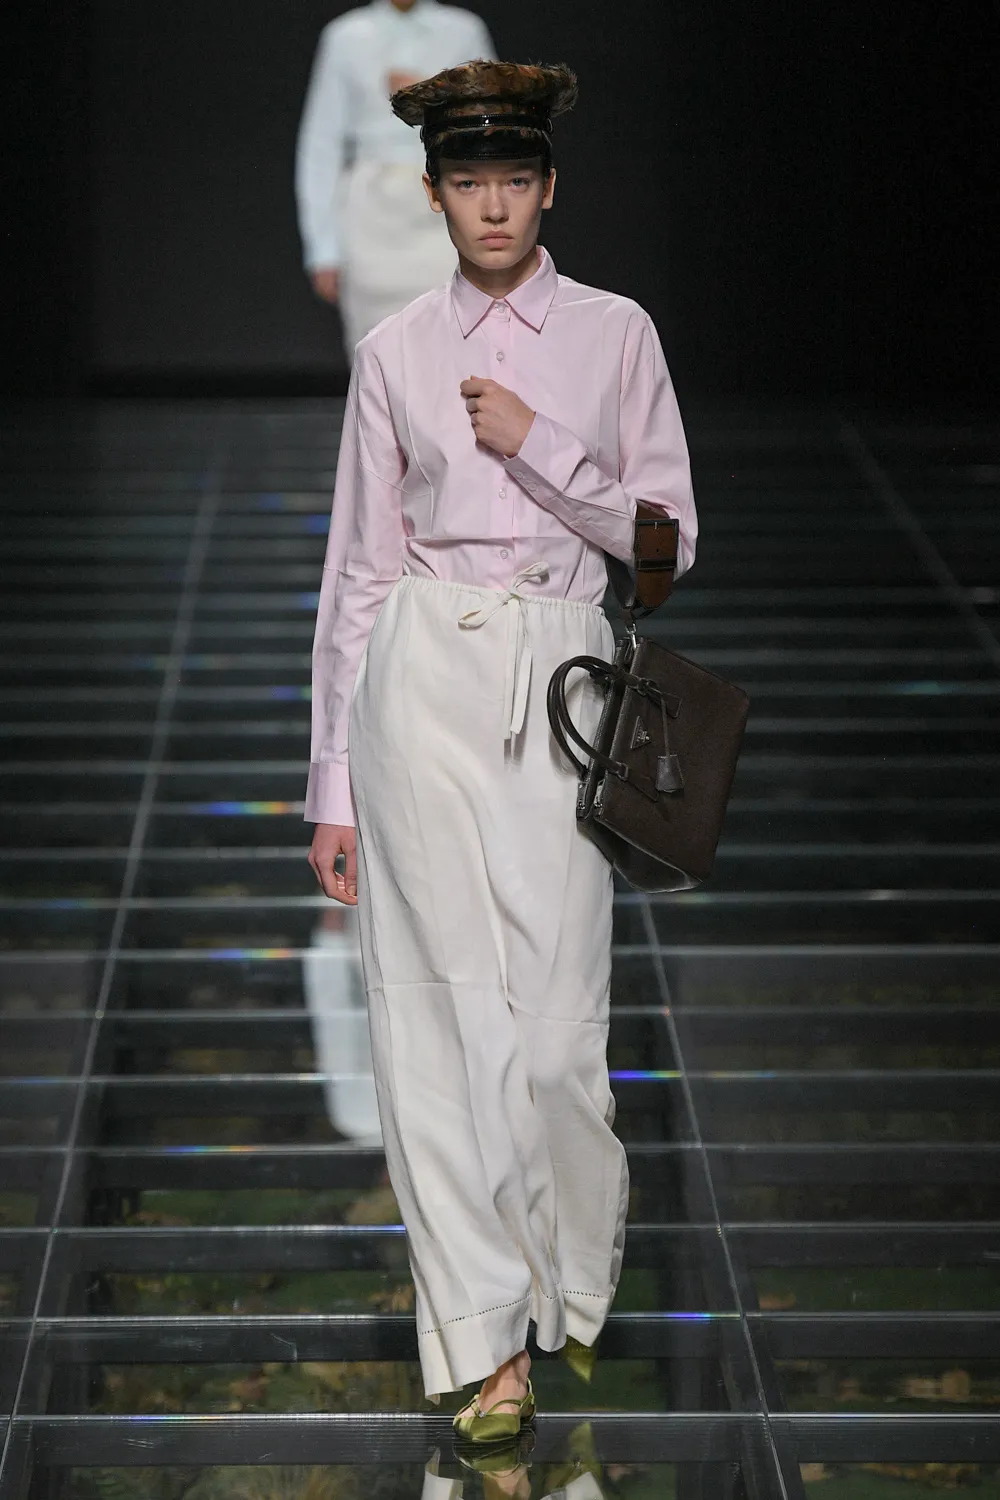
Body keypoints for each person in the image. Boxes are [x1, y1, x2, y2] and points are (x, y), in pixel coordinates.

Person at [305, 59, 697, 1440]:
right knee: (432, 1015)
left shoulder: (614, 334)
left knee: (556, 1040)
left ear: (548, 187)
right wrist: (331, 786)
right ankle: (486, 1343)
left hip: (561, 676)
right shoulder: (395, 351)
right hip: (418, 676)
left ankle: (562, 1285)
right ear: (432, 195)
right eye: (466, 182)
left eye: (513, 180)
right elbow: (359, 573)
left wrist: (545, 453)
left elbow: (667, 547)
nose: (491, 205)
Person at [295, 0, 494, 352]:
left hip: (444, 204)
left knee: (456, 341)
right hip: (371, 211)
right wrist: (323, 248)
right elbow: (321, 144)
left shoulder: (463, 30)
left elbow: (490, 122)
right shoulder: (345, 36)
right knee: (377, 348)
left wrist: (437, 95)